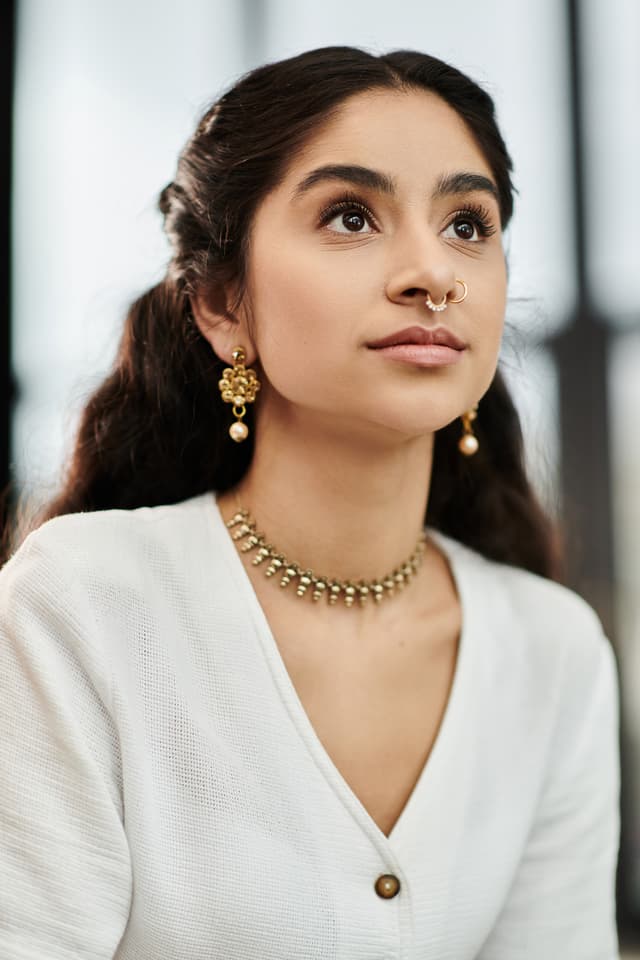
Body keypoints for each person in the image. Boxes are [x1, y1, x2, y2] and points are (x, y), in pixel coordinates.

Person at [0, 45, 620, 959]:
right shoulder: (82, 604)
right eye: (350, 216)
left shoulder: (553, 651)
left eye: (467, 224)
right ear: (222, 304)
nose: (432, 273)